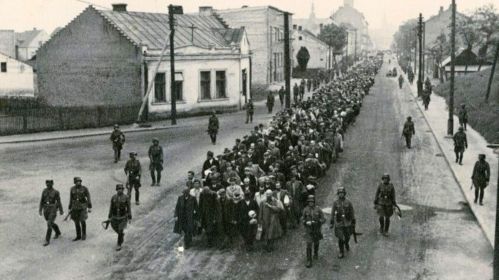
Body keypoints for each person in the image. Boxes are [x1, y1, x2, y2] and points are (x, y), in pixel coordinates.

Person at [330, 187, 355, 259]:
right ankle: (341, 251)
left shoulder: (348, 202)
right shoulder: (335, 202)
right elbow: (332, 213)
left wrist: (353, 220)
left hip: (347, 222)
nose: (341, 195)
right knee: (340, 238)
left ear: (344, 194)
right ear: (338, 194)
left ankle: (346, 243)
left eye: (342, 193)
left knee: (347, 236)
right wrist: (332, 221)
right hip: (339, 222)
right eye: (340, 193)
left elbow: (352, 211)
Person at [302, 195, 325, 267]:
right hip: (309, 230)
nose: (311, 203)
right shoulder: (305, 210)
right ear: (308, 202)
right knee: (308, 244)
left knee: (316, 242)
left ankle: (315, 253)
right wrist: (305, 222)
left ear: (314, 202)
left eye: (312, 202)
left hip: (316, 229)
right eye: (309, 202)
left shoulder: (318, 209)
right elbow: (302, 219)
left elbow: (323, 219)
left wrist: (318, 222)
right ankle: (309, 260)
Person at [39, 179, 63, 246]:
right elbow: (41, 201)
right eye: (47, 183)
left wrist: (61, 210)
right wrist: (40, 210)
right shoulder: (44, 191)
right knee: (51, 222)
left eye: (49, 183)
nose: (48, 185)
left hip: (53, 208)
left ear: (52, 184)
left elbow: (58, 201)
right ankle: (58, 232)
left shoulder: (56, 192)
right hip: (46, 209)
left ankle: (47, 240)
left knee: (49, 223)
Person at [107, 184, 132, 251]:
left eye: (121, 189)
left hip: (123, 217)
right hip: (115, 217)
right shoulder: (113, 197)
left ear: (123, 190)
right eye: (118, 189)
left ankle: (119, 244)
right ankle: (121, 236)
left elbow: (129, 208)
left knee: (120, 230)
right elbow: (111, 208)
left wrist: (129, 217)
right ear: (116, 190)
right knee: (114, 227)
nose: (119, 190)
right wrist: (109, 216)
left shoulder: (126, 197)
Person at [68, 177, 92, 241]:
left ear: (81, 182)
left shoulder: (84, 188)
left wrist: (89, 206)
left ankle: (84, 234)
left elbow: (88, 197)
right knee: (76, 222)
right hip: (75, 207)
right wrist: (69, 207)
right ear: (75, 182)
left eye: (79, 181)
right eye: (76, 181)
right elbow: (71, 199)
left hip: (83, 207)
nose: (78, 182)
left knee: (82, 220)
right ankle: (78, 236)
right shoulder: (72, 189)